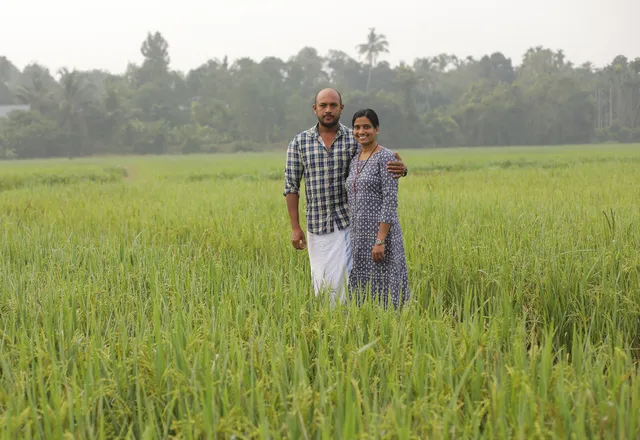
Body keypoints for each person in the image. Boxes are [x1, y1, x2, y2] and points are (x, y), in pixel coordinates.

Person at [283, 88, 407, 305]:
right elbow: (291, 186)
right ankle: (332, 329)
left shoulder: (354, 138)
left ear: (341, 108)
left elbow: (378, 160)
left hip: (348, 226)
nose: (328, 110)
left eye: (333, 105)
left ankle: (352, 327)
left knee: (351, 288)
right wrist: (295, 227)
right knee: (322, 288)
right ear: (315, 109)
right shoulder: (300, 142)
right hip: (317, 226)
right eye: (323, 105)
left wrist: (402, 169)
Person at [345, 108, 410, 308]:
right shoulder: (355, 158)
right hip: (358, 236)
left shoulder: (386, 157)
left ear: (376, 129)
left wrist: (380, 240)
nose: (361, 131)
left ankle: (391, 330)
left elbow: (390, 201)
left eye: (366, 127)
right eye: (356, 127)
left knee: (385, 289)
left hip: (380, 235)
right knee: (362, 291)